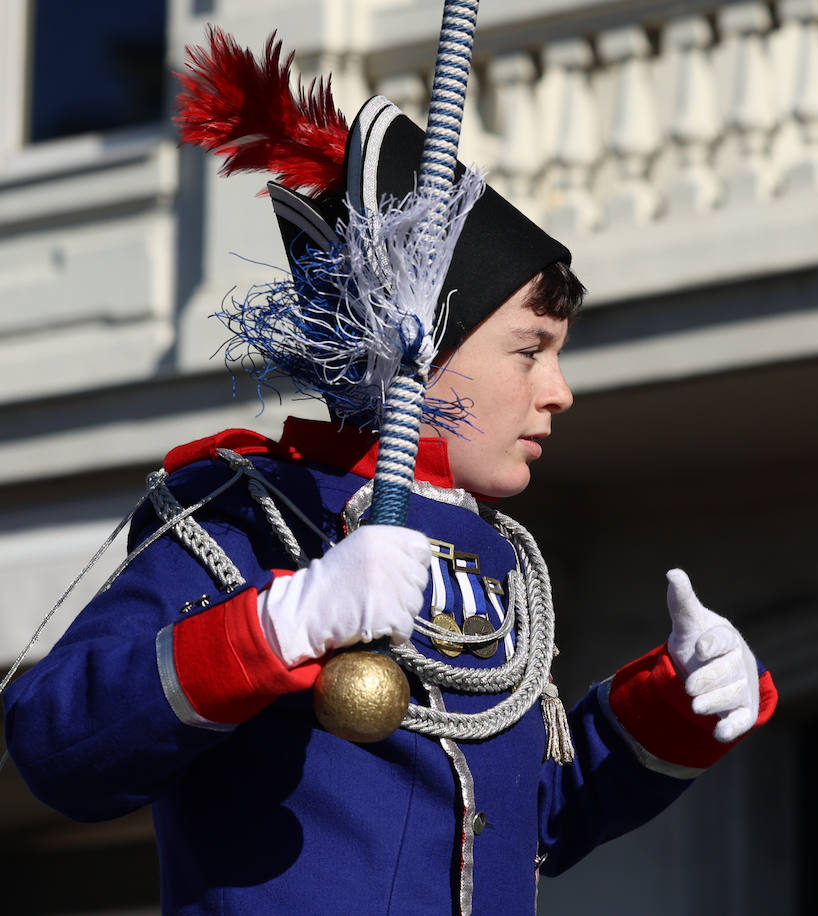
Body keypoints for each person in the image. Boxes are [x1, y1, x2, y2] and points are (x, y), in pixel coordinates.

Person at [2, 30, 777, 915]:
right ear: (415, 353)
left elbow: (518, 829)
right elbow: (57, 743)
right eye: (530, 350)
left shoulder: (493, 555)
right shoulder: (247, 516)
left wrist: (670, 707)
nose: (558, 391)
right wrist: (284, 623)